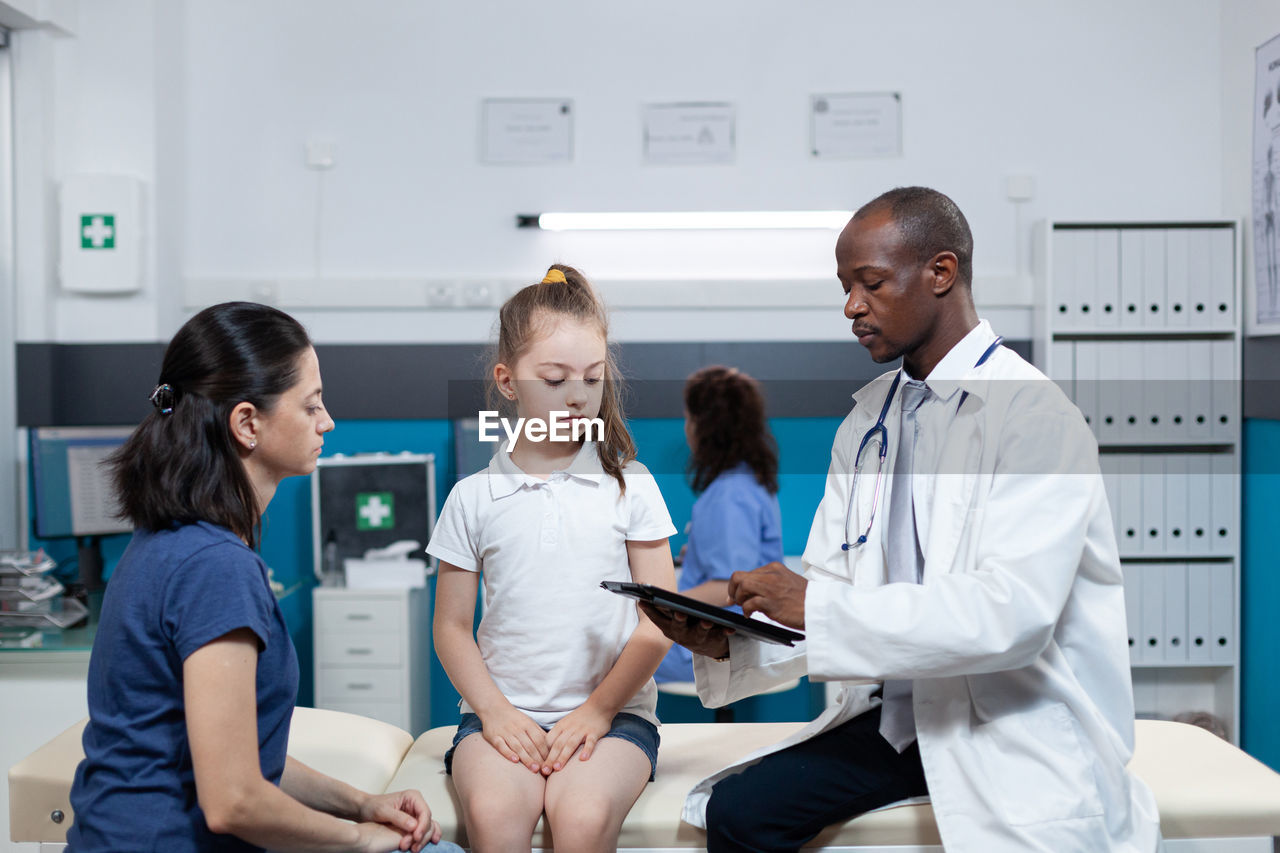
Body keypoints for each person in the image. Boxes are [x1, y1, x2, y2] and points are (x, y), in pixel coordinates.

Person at [643, 188, 1161, 852]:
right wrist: (732, 640)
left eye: (872, 283)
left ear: (941, 273)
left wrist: (817, 606)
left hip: (1012, 725)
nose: (852, 306)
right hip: (897, 722)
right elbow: (829, 598)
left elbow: (1010, 616)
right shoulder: (866, 423)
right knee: (739, 813)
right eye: (845, 287)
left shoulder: (1032, 416)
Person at [67, 302, 454, 853]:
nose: (328, 422)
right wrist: (360, 839)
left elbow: (238, 756)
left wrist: (363, 803)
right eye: (311, 405)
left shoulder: (170, 541)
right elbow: (235, 801)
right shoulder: (215, 567)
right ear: (247, 423)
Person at [428, 265, 678, 853]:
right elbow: (451, 627)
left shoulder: (632, 487)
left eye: (592, 380)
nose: (577, 396)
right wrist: (493, 712)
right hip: (498, 717)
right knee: (494, 815)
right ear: (508, 382)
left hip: (614, 718)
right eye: (555, 378)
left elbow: (657, 625)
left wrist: (595, 712)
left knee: (583, 817)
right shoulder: (473, 496)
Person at [654, 365, 782, 684]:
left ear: (705, 425)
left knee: (612, 651)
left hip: (715, 644)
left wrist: (652, 603)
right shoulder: (748, 483)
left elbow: (725, 586)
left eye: (689, 417)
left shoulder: (729, 495)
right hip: (734, 636)